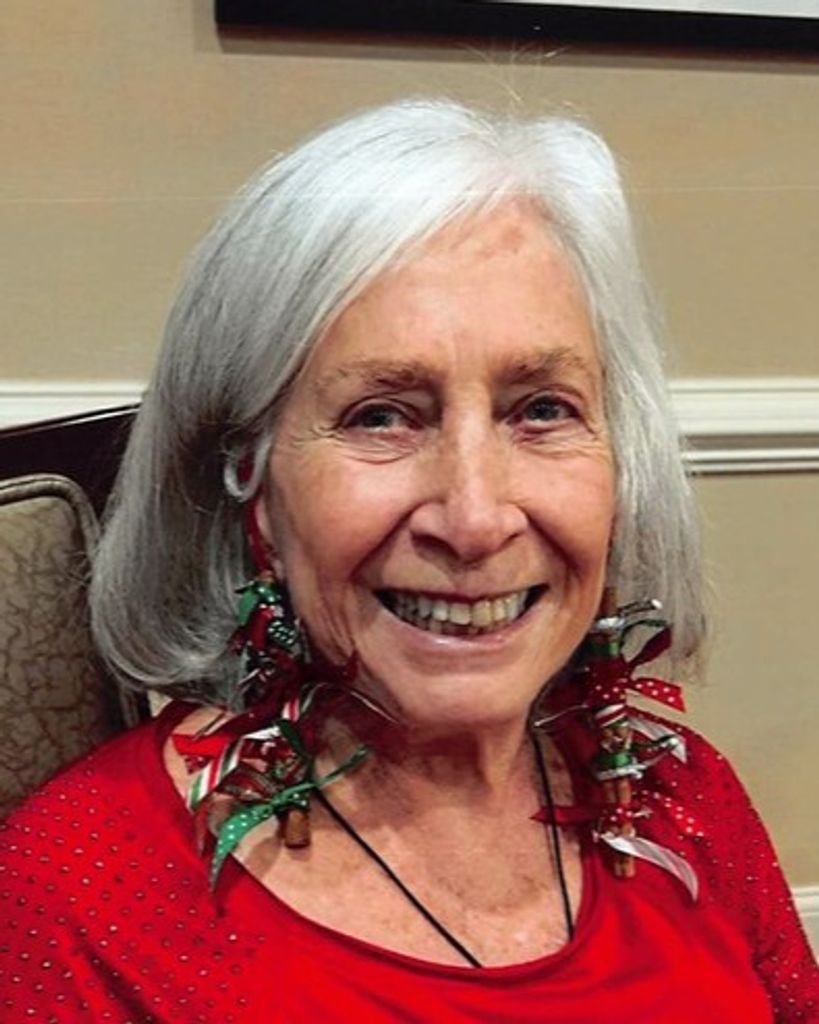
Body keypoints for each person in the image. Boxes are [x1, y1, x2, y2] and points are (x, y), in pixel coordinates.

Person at [0, 99, 815, 1023]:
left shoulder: (679, 793)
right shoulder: (79, 893)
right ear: (248, 482)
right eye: (380, 416)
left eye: (541, 410)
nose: (475, 518)